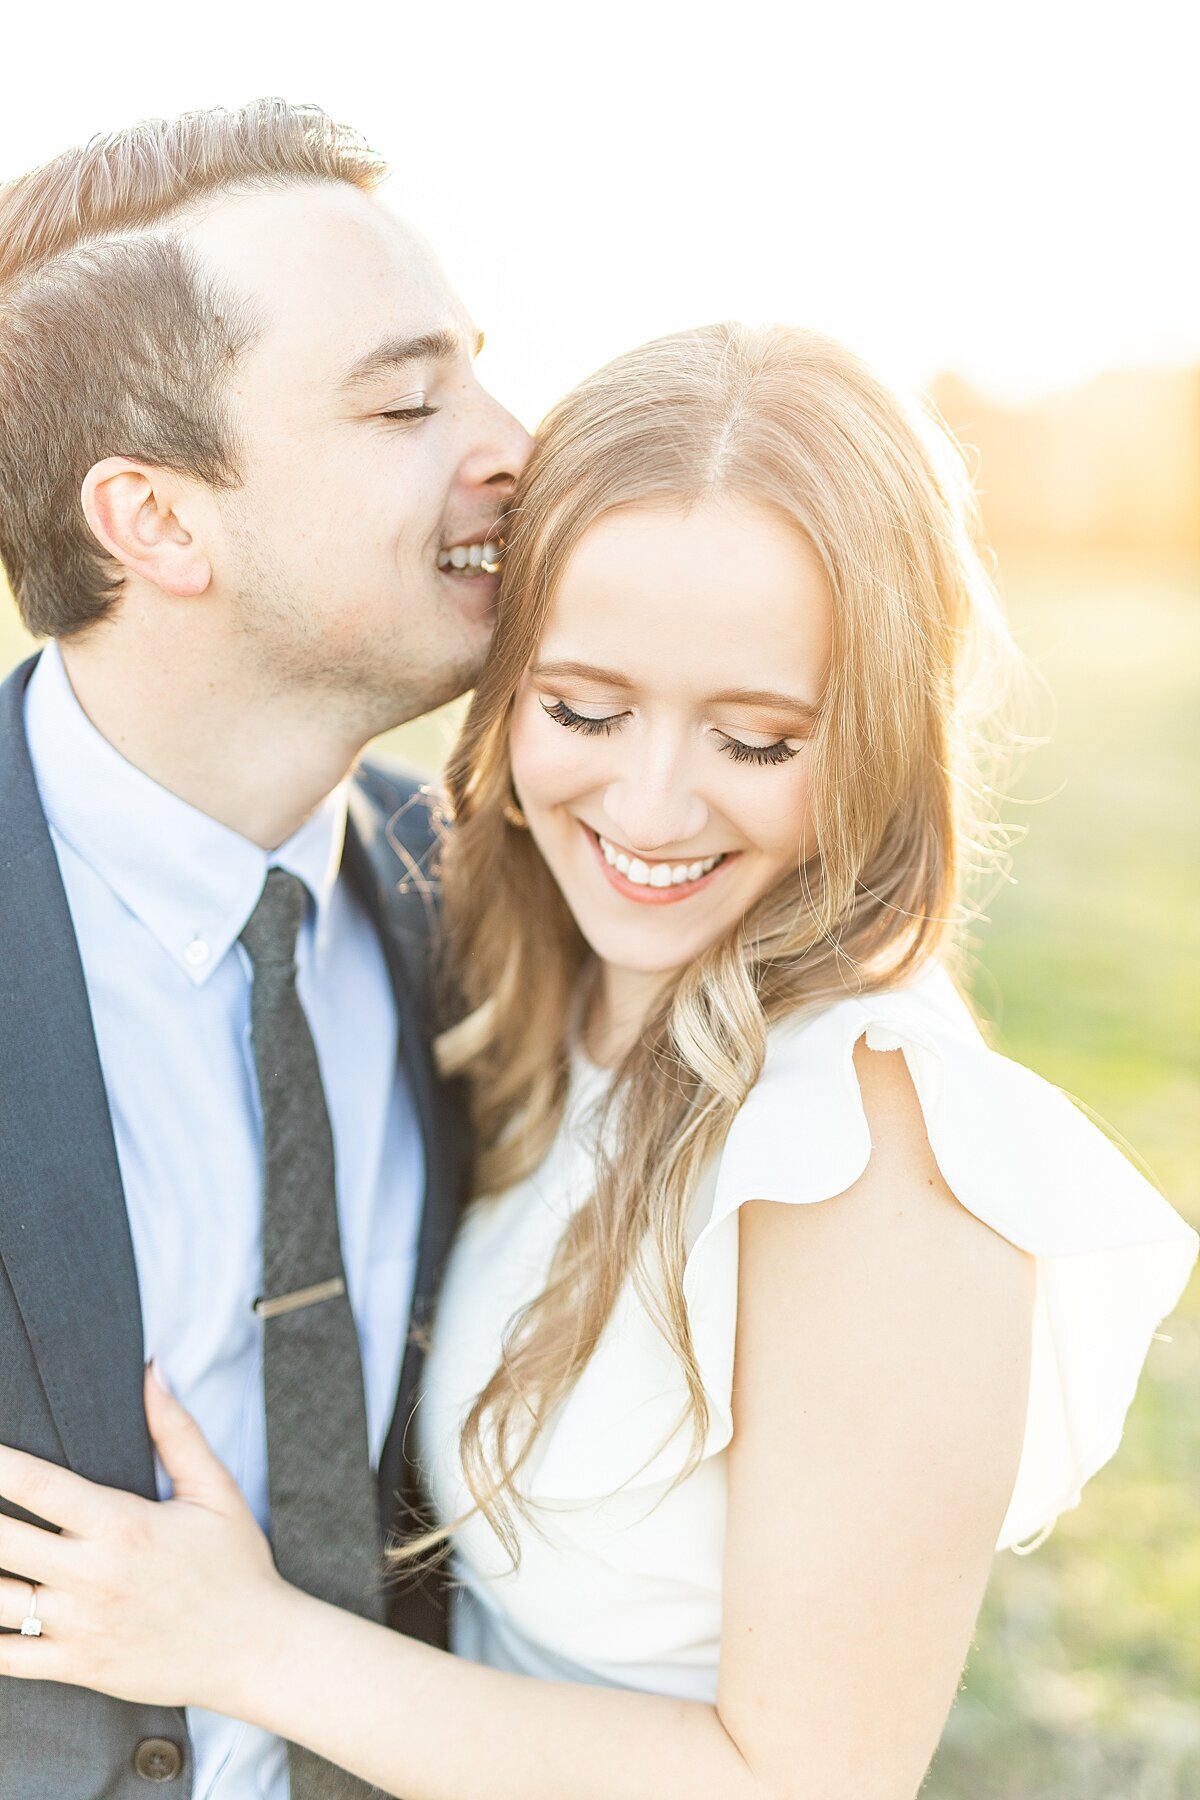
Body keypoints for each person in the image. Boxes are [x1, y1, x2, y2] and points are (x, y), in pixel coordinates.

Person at [1, 324, 1195, 1800]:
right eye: (583, 710)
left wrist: (246, 1646)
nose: (649, 806)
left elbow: (806, 1782)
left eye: (756, 741)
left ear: (884, 738)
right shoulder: (546, 993)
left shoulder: (873, 1152)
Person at [0, 100, 529, 1798]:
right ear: (158, 523)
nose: (511, 441)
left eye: (481, 373)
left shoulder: (504, 899)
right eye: (406, 401)